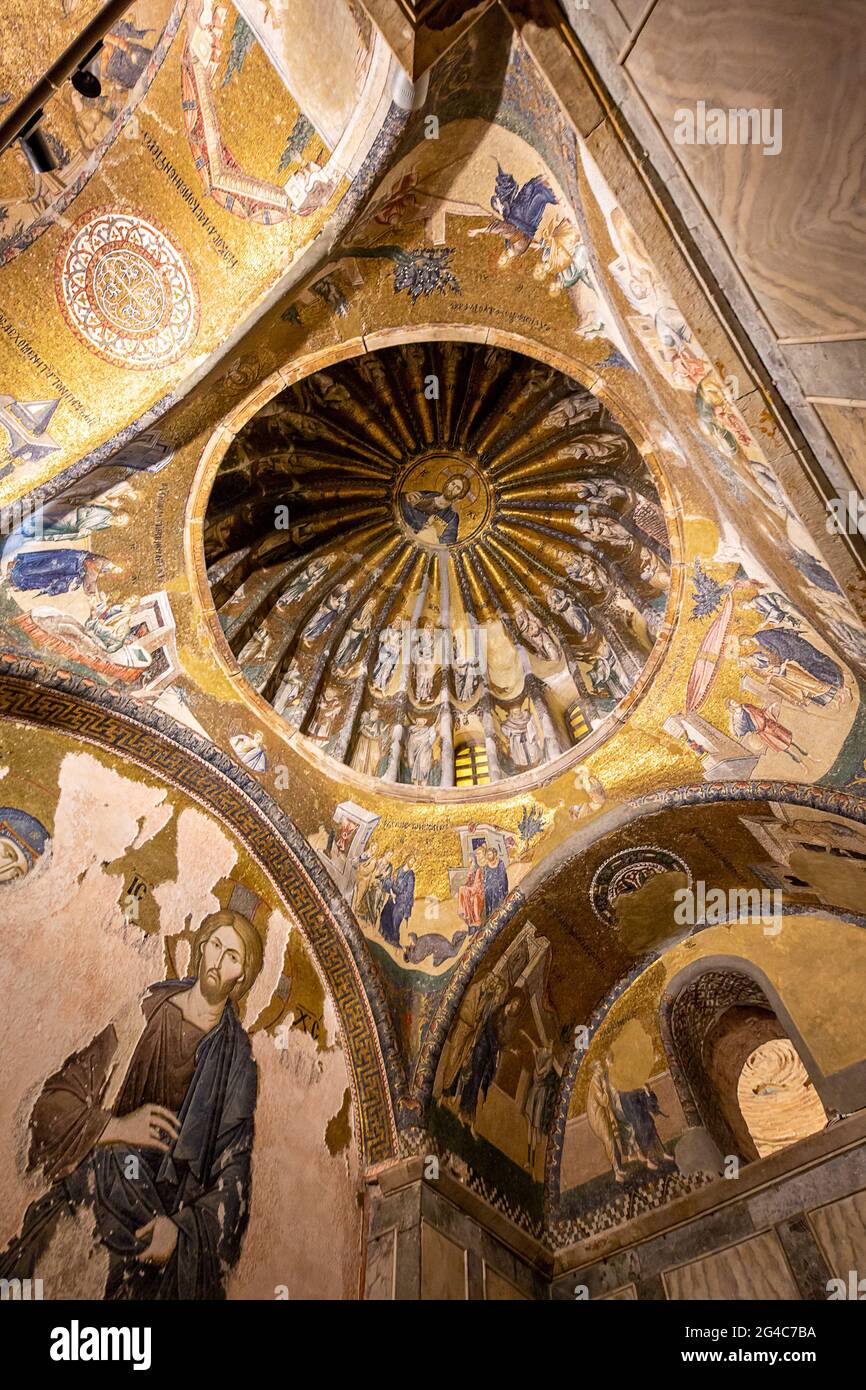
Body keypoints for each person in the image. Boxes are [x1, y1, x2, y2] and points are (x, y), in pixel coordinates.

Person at [0, 912, 264, 1299]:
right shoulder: (148, 1010)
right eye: (215, 946)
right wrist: (114, 1128)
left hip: (154, 1226)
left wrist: (181, 1230)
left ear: (241, 976)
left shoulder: (237, 1060)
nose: (217, 962)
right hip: (91, 1191)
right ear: (201, 947)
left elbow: (233, 1171)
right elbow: (56, 1100)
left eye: (232, 958)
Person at [400, 476, 469, 546]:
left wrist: (430, 531)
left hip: (418, 543)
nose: (452, 488)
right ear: (448, 484)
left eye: (457, 488)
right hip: (401, 529)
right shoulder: (429, 494)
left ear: (460, 494)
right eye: (453, 484)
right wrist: (405, 496)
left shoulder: (452, 517)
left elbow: (447, 542)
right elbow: (401, 503)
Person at [457, 852, 485, 930]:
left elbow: (477, 884)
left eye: (470, 858)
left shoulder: (478, 870)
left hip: (478, 892)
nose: (468, 860)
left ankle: (465, 912)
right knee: (462, 889)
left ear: (473, 859)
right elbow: (468, 883)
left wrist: (469, 889)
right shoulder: (471, 870)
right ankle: (463, 911)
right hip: (472, 890)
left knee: (462, 889)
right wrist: (468, 878)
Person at [482, 846, 508, 919]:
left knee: (495, 890)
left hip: (499, 887)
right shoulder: (486, 866)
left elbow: (502, 876)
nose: (488, 856)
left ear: (494, 854)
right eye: (487, 854)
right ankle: (490, 916)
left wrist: (495, 882)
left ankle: (499, 916)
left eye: (490, 854)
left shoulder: (500, 863)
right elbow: (485, 878)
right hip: (489, 888)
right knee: (488, 891)